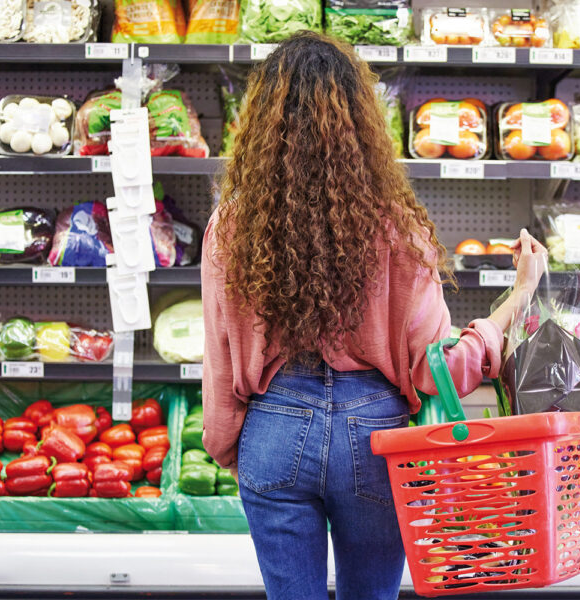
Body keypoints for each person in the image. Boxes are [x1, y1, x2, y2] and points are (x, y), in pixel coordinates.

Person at [201, 32, 547, 600]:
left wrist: (231, 446)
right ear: (363, 122)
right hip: (377, 438)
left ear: (262, 122)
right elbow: (443, 368)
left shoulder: (232, 228)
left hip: (273, 428)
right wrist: (518, 296)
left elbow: (220, 359)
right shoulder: (394, 228)